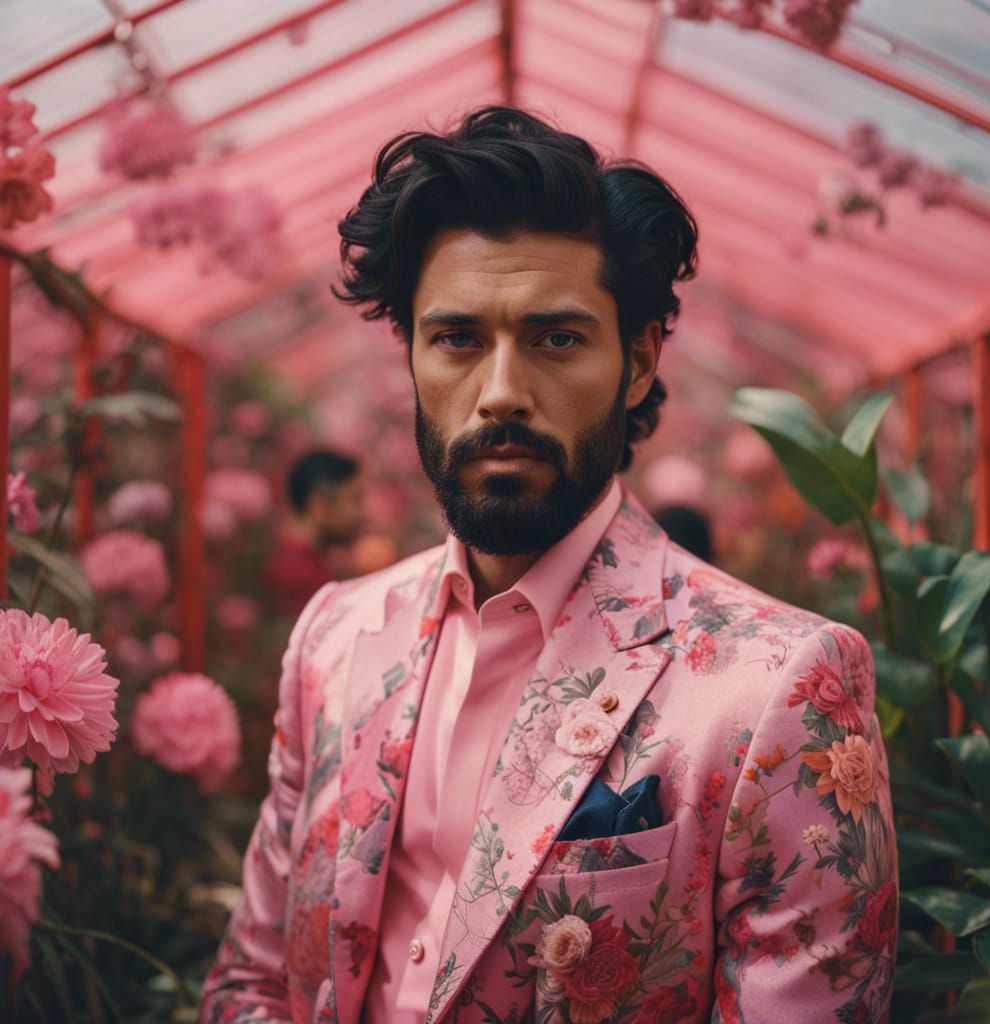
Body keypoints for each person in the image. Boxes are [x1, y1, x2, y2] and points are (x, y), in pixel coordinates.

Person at [201, 107, 896, 1024]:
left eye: (556, 339)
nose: (500, 393)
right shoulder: (334, 640)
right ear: (410, 355)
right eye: (457, 338)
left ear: (636, 362)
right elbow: (252, 982)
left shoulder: (776, 684)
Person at [263, 449, 363, 613]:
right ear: (319, 505)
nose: (361, 514)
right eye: (355, 500)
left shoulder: (308, 565)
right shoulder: (296, 574)